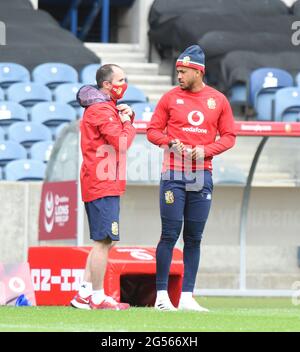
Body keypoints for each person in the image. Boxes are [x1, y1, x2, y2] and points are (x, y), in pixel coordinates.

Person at [147, 45, 236, 311]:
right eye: (178, 71)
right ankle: (162, 296)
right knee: (169, 233)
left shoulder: (218, 100)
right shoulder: (170, 98)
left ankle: (187, 296)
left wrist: (205, 150)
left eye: (183, 71)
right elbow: (152, 131)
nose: (179, 76)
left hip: (202, 175)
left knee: (194, 238)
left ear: (198, 71)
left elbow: (230, 137)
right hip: (173, 174)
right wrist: (170, 143)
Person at [71, 64, 136, 310]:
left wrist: (124, 117)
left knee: (105, 240)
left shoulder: (103, 108)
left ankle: (84, 294)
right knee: (104, 240)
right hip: (102, 182)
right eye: (121, 79)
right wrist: (129, 122)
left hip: (102, 181)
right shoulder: (101, 109)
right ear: (107, 85)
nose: (124, 83)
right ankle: (97, 297)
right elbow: (121, 142)